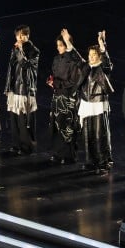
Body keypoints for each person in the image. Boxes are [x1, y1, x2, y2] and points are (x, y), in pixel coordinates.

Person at [65, 29, 114, 175]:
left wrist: (102, 45)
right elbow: (76, 58)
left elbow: (107, 62)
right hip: (86, 104)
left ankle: (103, 162)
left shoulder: (103, 67)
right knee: (87, 134)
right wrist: (68, 42)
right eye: (90, 55)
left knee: (100, 135)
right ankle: (91, 161)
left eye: (94, 55)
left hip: (98, 104)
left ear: (99, 56)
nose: (91, 57)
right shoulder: (86, 66)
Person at [4, 25, 40, 155]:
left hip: (25, 89)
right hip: (14, 88)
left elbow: (25, 64)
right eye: (18, 35)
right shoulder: (15, 49)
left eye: (22, 35)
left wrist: (19, 50)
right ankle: (16, 144)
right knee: (14, 120)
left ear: (27, 36)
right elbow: (11, 67)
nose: (19, 37)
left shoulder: (34, 51)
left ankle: (27, 146)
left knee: (24, 120)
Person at [47, 34, 84, 164]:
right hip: (57, 95)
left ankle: (69, 155)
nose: (59, 48)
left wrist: (57, 84)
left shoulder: (73, 61)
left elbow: (73, 81)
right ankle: (58, 153)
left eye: (61, 45)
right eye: (58, 45)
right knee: (57, 123)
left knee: (67, 125)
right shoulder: (57, 59)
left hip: (68, 97)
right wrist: (52, 82)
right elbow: (54, 74)